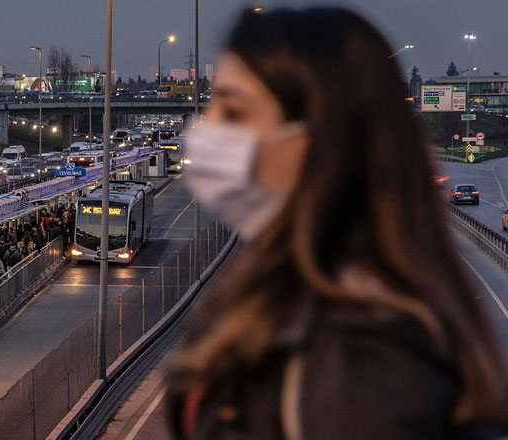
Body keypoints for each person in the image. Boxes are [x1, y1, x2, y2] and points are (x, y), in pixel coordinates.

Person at [169, 7, 508, 440]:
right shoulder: (286, 301)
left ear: (319, 143)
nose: (203, 130)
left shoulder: (362, 379)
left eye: (233, 113)